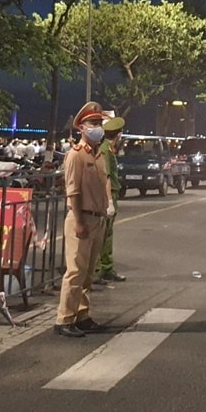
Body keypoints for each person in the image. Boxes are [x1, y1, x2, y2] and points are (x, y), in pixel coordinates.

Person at [54, 101, 114, 338]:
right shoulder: (75, 156)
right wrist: (79, 221)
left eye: (99, 123)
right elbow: (73, 192)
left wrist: (107, 208)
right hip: (82, 219)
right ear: (81, 127)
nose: (97, 127)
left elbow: (103, 184)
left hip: (97, 219)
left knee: (88, 273)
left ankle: (82, 314)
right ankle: (64, 319)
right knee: (75, 272)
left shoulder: (99, 155)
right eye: (93, 123)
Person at [95, 114, 127, 284]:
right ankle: (97, 270)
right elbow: (106, 177)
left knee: (107, 233)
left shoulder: (109, 149)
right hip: (108, 195)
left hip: (112, 193)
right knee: (102, 233)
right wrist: (108, 202)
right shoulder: (105, 150)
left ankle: (106, 268)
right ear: (119, 134)